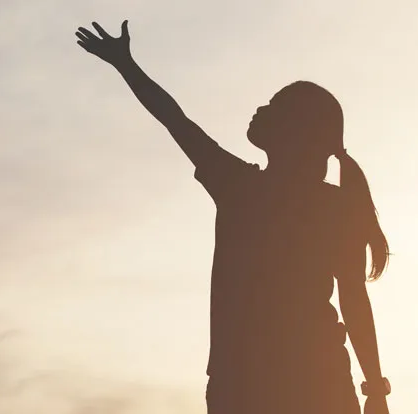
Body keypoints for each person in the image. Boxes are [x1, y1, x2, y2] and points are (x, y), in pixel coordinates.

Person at [74, 20, 393, 414]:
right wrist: (375, 391)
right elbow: (354, 301)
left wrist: (126, 65)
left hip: (250, 383)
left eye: (274, 107)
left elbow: (176, 121)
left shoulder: (241, 188)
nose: (260, 109)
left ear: (295, 133)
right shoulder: (326, 205)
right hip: (304, 379)